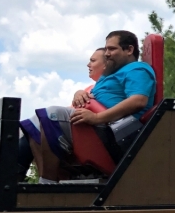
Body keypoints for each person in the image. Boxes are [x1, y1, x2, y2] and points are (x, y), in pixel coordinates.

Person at [22, 30, 156, 180]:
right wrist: (79, 93)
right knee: (32, 125)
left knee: (51, 113)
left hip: (113, 130)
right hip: (94, 124)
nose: (107, 53)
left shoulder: (137, 69)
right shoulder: (109, 75)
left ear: (129, 50)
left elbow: (138, 100)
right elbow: (93, 94)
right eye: (106, 49)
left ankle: (48, 181)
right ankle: (33, 178)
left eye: (112, 49)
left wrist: (97, 117)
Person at [17, 46, 107, 179]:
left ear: (106, 65)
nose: (88, 64)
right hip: (73, 127)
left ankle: (22, 175)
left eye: (93, 61)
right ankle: (24, 175)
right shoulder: (90, 88)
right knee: (29, 127)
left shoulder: (107, 89)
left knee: (42, 121)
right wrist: (78, 92)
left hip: (83, 132)